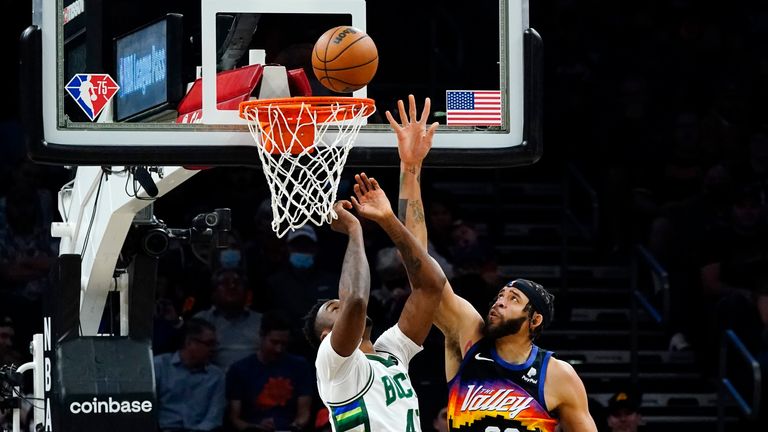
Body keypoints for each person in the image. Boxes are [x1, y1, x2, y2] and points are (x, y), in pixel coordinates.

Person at [391, 94, 597, 431]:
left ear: (535, 320)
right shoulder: (467, 334)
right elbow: (421, 273)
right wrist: (410, 169)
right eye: (501, 295)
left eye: (513, 300)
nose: (499, 301)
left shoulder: (557, 376)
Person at [302, 175, 448, 431]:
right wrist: (353, 229)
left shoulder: (391, 352)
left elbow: (431, 286)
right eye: (335, 308)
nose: (343, 303)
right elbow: (356, 300)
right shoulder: (332, 364)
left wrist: (387, 219)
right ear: (327, 335)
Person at [225, 310, 313, 432]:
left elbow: (304, 413)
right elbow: (235, 418)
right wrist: (256, 428)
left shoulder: (299, 366)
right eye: (274, 342)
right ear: (261, 335)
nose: (279, 349)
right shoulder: (240, 369)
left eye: (284, 344)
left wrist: (294, 427)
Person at [153, 318, 226, 432]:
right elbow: (146, 409)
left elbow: (213, 418)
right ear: (189, 343)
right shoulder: (158, 366)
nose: (214, 349)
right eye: (209, 344)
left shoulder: (216, 376)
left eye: (214, 344)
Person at [194, 268, 262, 371]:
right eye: (225, 283)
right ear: (214, 293)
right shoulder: (201, 320)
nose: (232, 286)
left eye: (237, 283)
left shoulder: (261, 320)